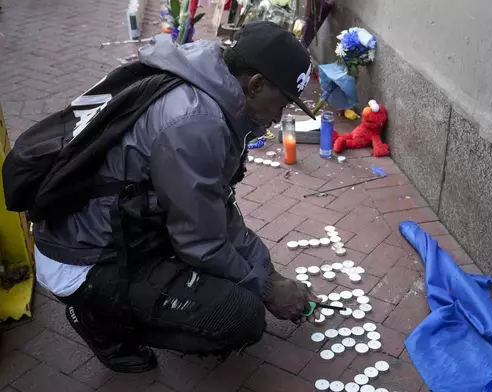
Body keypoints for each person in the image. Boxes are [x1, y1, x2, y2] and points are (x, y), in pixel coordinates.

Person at [31, 21, 319, 373]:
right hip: (85, 255)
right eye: (284, 102)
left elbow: (215, 206)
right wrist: (268, 291)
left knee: (236, 274)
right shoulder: (197, 122)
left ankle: (131, 297)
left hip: (116, 228)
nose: (280, 116)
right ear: (255, 84)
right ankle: (100, 318)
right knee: (241, 316)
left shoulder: (209, 87)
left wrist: (268, 274)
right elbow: (201, 242)